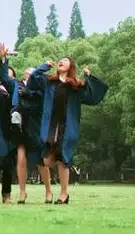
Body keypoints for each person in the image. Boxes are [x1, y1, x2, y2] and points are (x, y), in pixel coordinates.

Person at [27, 58, 109, 204]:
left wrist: (89, 77)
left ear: (71, 67)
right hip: (50, 128)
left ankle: (64, 194)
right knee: (44, 160)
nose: (61, 61)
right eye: (60, 60)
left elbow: (94, 97)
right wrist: (44, 66)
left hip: (67, 128)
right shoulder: (48, 82)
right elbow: (33, 79)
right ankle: (50, 190)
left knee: (63, 159)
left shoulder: (76, 86)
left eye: (65, 60)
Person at [0, 43, 53, 203]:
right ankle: (22, 192)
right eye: (28, 73)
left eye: (33, 73)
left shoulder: (42, 87)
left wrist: (30, 93)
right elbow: (4, 77)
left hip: (35, 125)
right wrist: (3, 59)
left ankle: (48, 191)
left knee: (41, 161)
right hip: (19, 124)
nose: (30, 74)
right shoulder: (16, 85)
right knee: (21, 159)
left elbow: (43, 99)